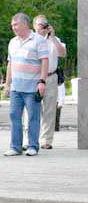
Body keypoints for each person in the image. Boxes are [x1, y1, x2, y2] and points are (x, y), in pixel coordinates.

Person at [3, 13, 49, 157]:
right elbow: (10, 64)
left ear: (25, 24)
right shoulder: (12, 42)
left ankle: (33, 146)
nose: (13, 28)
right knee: (14, 116)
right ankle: (15, 147)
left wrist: (42, 82)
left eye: (16, 24)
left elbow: (45, 61)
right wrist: (7, 84)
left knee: (33, 117)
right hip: (16, 87)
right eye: (12, 25)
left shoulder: (38, 40)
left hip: (32, 87)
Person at [33, 15, 66, 149]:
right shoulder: (31, 40)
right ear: (34, 26)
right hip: (34, 77)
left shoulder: (54, 40)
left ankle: (46, 140)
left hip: (51, 77)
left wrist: (53, 37)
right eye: (40, 24)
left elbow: (63, 53)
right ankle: (29, 139)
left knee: (49, 110)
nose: (43, 26)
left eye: (45, 24)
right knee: (31, 109)